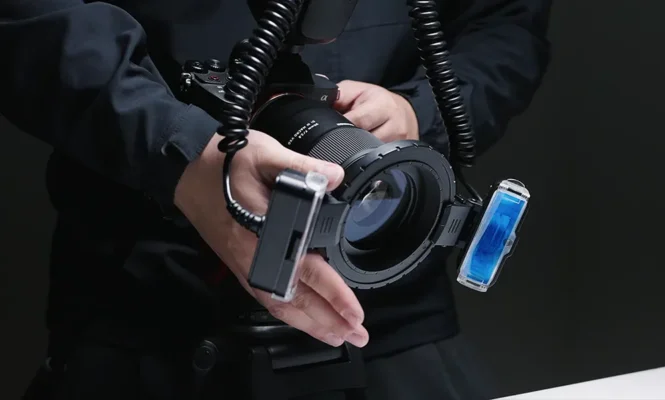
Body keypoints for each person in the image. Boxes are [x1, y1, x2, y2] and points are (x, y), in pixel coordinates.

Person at [1, 0, 551, 399]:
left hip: (387, 305)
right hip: (146, 301)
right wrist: (183, 153)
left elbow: (505, 21)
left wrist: (420, 114)